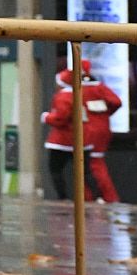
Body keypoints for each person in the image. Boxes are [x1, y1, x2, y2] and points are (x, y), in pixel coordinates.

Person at [43, 60, 121, 202]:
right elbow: (116, 102)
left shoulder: (69, 93)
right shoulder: (98, 88)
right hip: (100, 129)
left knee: (91, 166)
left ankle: (102, 197)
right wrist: (104, 114)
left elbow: (61, 116)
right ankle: (97, 197)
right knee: (89, 166)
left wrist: (47, 117)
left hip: (84, 132)